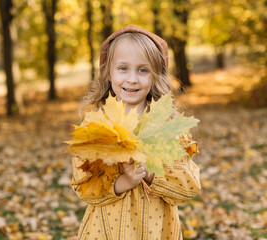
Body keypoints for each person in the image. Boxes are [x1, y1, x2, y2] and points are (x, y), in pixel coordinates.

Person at [71, 25, 201, 240]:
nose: (132, 79)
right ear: (108, 72)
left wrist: (150, 172)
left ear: (155, 76)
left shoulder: (167, 127)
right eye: (123, 68)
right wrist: (124, 182)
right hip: (106, 232)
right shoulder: (95, 127)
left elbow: (188, 187)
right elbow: (84, 186)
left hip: (158, 231)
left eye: (143, 70)